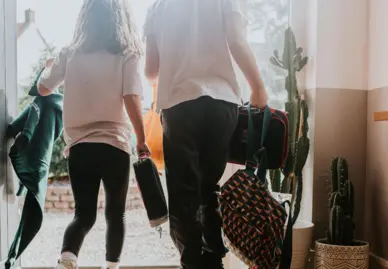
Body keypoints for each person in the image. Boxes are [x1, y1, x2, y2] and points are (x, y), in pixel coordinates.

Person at [143, 0, 268, 268]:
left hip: (178, 104)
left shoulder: (158, 8)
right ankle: (214, 259)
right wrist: (258, 88)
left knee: (183, 193)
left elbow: (151, 71)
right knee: (209, 188)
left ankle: (192, 262)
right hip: (221, 103)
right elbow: (236, 41)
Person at [37, 1, 149, 268]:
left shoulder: (70, 53)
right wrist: (142, 139)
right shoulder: (127, 53)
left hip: (81, 148)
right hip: (115, 146)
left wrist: (49, 65)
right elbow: (131, 97)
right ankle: (111, 266)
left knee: (83, 215)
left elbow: (43, 88)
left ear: (85, 18)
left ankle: (68, 256)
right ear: (121, 18)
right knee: (115, 215)